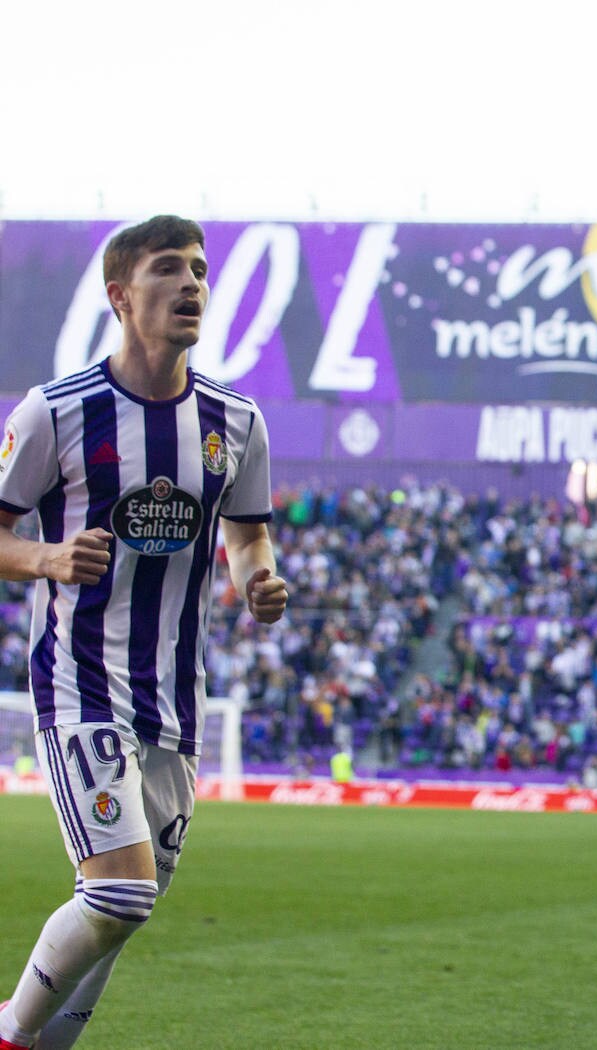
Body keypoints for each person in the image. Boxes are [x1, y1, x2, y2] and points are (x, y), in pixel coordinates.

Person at [0, 216, 288, 1049]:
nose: (193, 283)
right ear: (122, 296)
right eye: (170, 269)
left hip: (176, 705)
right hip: (81, 682)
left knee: (124, 914)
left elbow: (246, 533)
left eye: (200, 269)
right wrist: (51, 557)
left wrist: (255, 584)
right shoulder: (55, 412)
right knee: (117, 895)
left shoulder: (235, 421)